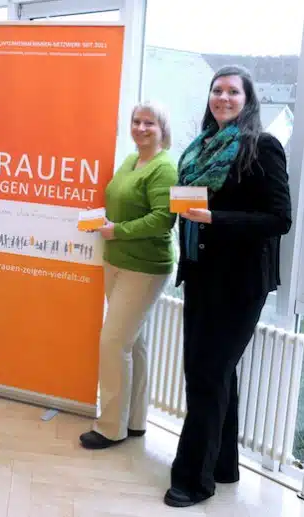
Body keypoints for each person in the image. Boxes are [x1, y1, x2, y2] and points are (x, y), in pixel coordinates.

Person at [164, 65, 291, 508]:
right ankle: (221, 465)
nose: (223, 98)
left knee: (205, 374)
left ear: (248, 99)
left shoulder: (263, 147)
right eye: (217, 90)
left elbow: (280, 219)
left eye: (233, 92)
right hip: (200, 275)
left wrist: (215, 219)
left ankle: (192, 479)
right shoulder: (199, 149)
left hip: (239, 284)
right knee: (216, 375)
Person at [78, 103, 178, 450]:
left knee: (113, 342)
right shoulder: (131, 160)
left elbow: (163, 220)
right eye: (136, 121)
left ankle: (110, 427)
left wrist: (117, 230)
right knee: (133, 343)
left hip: (144, 266)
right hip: (118, 260)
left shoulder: (164, 168)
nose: (141, 127)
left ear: (162, 128)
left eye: (149, 122)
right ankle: (134, 421)